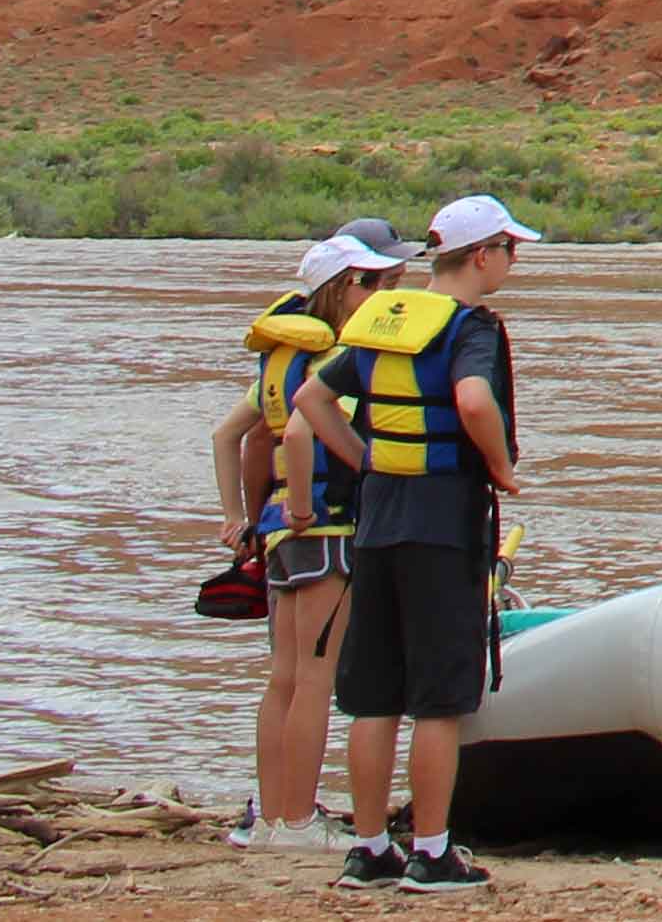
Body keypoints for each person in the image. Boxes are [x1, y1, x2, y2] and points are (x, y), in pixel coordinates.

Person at [294, 195, 538, 893]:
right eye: (511, 250)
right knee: (438, 699)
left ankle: (369, 849)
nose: (512, 263)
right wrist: (501, 468)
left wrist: (364, 460)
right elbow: (470, 401)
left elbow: (314, 401)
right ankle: (432, 852)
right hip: (442, 527)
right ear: (484, 254)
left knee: (374, 696)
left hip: (376, 526)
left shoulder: (379, 320)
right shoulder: (472, 329)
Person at [218, 225, 410, 847]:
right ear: (351, 286)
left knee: (284, 677)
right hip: (325, 529)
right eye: (386, 284)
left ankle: (272, 819)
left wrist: (243, 520)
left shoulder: (280, 359)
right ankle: (300, 821)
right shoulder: (335, 359)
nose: (393, 296)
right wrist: (304, 505)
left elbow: (237, 439)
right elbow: (302, 435)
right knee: (318, 679)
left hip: (276, 539)